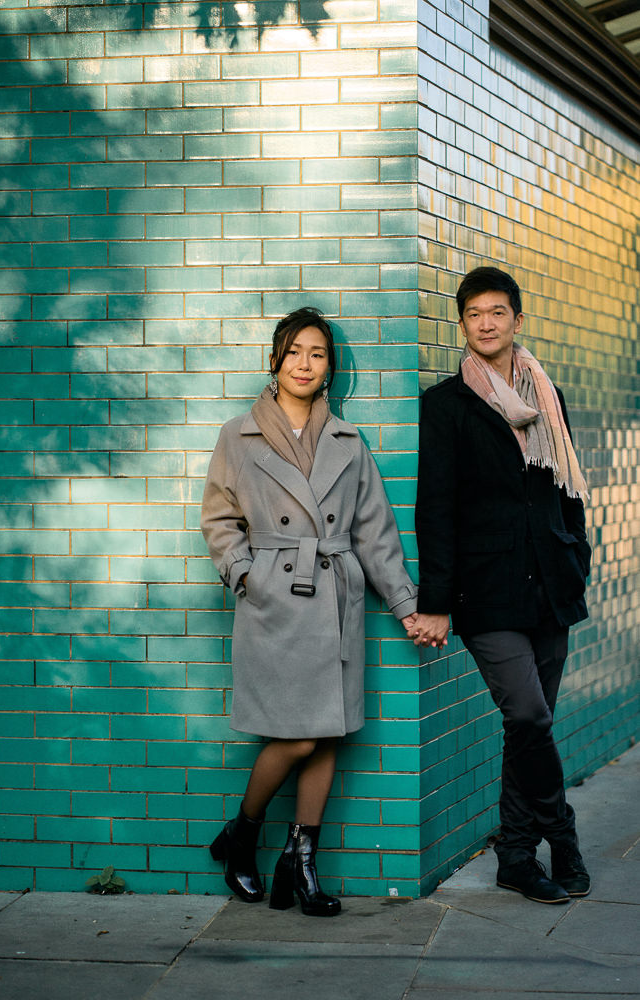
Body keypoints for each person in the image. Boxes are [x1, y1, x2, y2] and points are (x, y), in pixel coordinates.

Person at [201, 307, 417, 916]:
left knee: (326, 735)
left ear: (330, 368)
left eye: (317, 354)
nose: (305, 363)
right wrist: (245, 574)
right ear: (275, 359)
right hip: (275, 602)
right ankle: (244, 833)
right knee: (297, 738)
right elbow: (219, 518)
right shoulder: (237, 435)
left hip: (335, 601)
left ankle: (300, 861)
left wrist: (403, 604)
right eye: (295, 351)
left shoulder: (348, 441)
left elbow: (375, 531)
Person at [409, 267, 592, 905]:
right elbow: (435, 509)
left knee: (529, 728)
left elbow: (566, 489)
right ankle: (562, 837)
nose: (485, 323)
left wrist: (580, 553)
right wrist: (434, 600)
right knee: (529, 713)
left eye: (496, 312)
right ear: (462, 325)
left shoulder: (548, 395)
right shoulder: (446, 406)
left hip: (551, 583)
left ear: (517, 318)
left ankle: (516, 856)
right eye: (473, 315)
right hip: (486, 592)